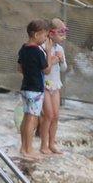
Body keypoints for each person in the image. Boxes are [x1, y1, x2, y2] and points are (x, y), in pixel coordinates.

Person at [17, 19, 59, 161]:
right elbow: (46, 70)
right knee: (32, 119)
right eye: (44, 36)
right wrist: (49, 54)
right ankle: (28, 149)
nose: (45, 39)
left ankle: (23, 146)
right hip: (35, 89)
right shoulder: (38, 52)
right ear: (36, 35)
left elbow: (19, 68)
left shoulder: (23, 48)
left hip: (25, 87)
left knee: (26, 117)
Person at [40, 18, 67, 155]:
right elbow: (43, 68)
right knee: (48, 115)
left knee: (56, 116)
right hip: (45, 85)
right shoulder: (43, 47)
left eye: (64, 33)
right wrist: (53, 59)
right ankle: (44, 145)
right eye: (61, 33)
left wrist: (61, 60)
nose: (64, 36)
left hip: (55, 85)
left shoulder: (60, 49)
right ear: (51, 34)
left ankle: (52, 143)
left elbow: (64, 69)